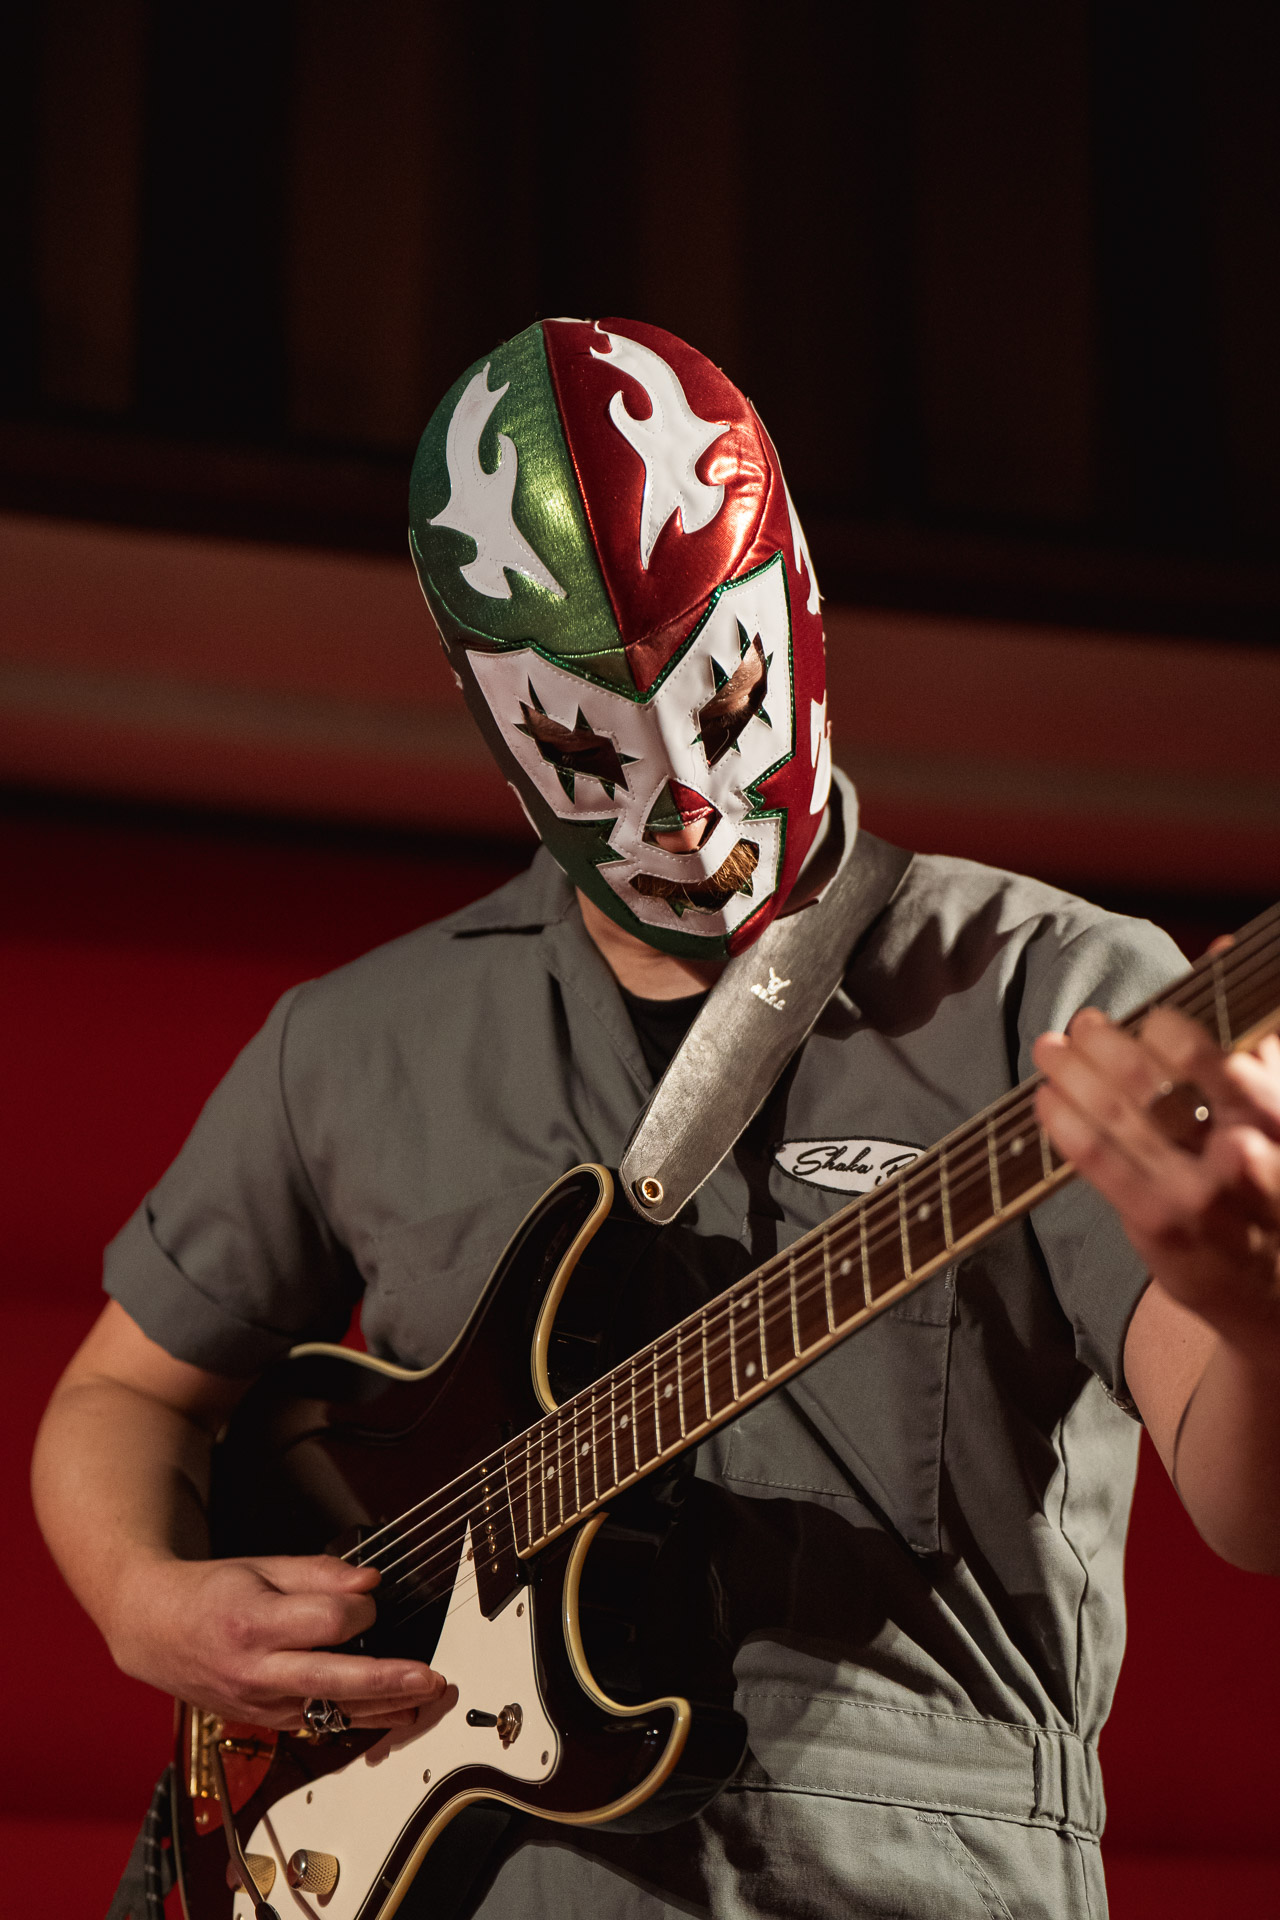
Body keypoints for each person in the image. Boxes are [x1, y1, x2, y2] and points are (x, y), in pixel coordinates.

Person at [32, 318, 1280, 1920]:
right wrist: (145, 1603)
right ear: (487, 713)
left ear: (799, 604)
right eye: (588, 748)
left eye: (729, 697)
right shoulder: (351, 1044)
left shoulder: (1064, 992)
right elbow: (122, 1395)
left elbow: (1250, 1513)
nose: (686, 803)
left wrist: (1255, 1304)